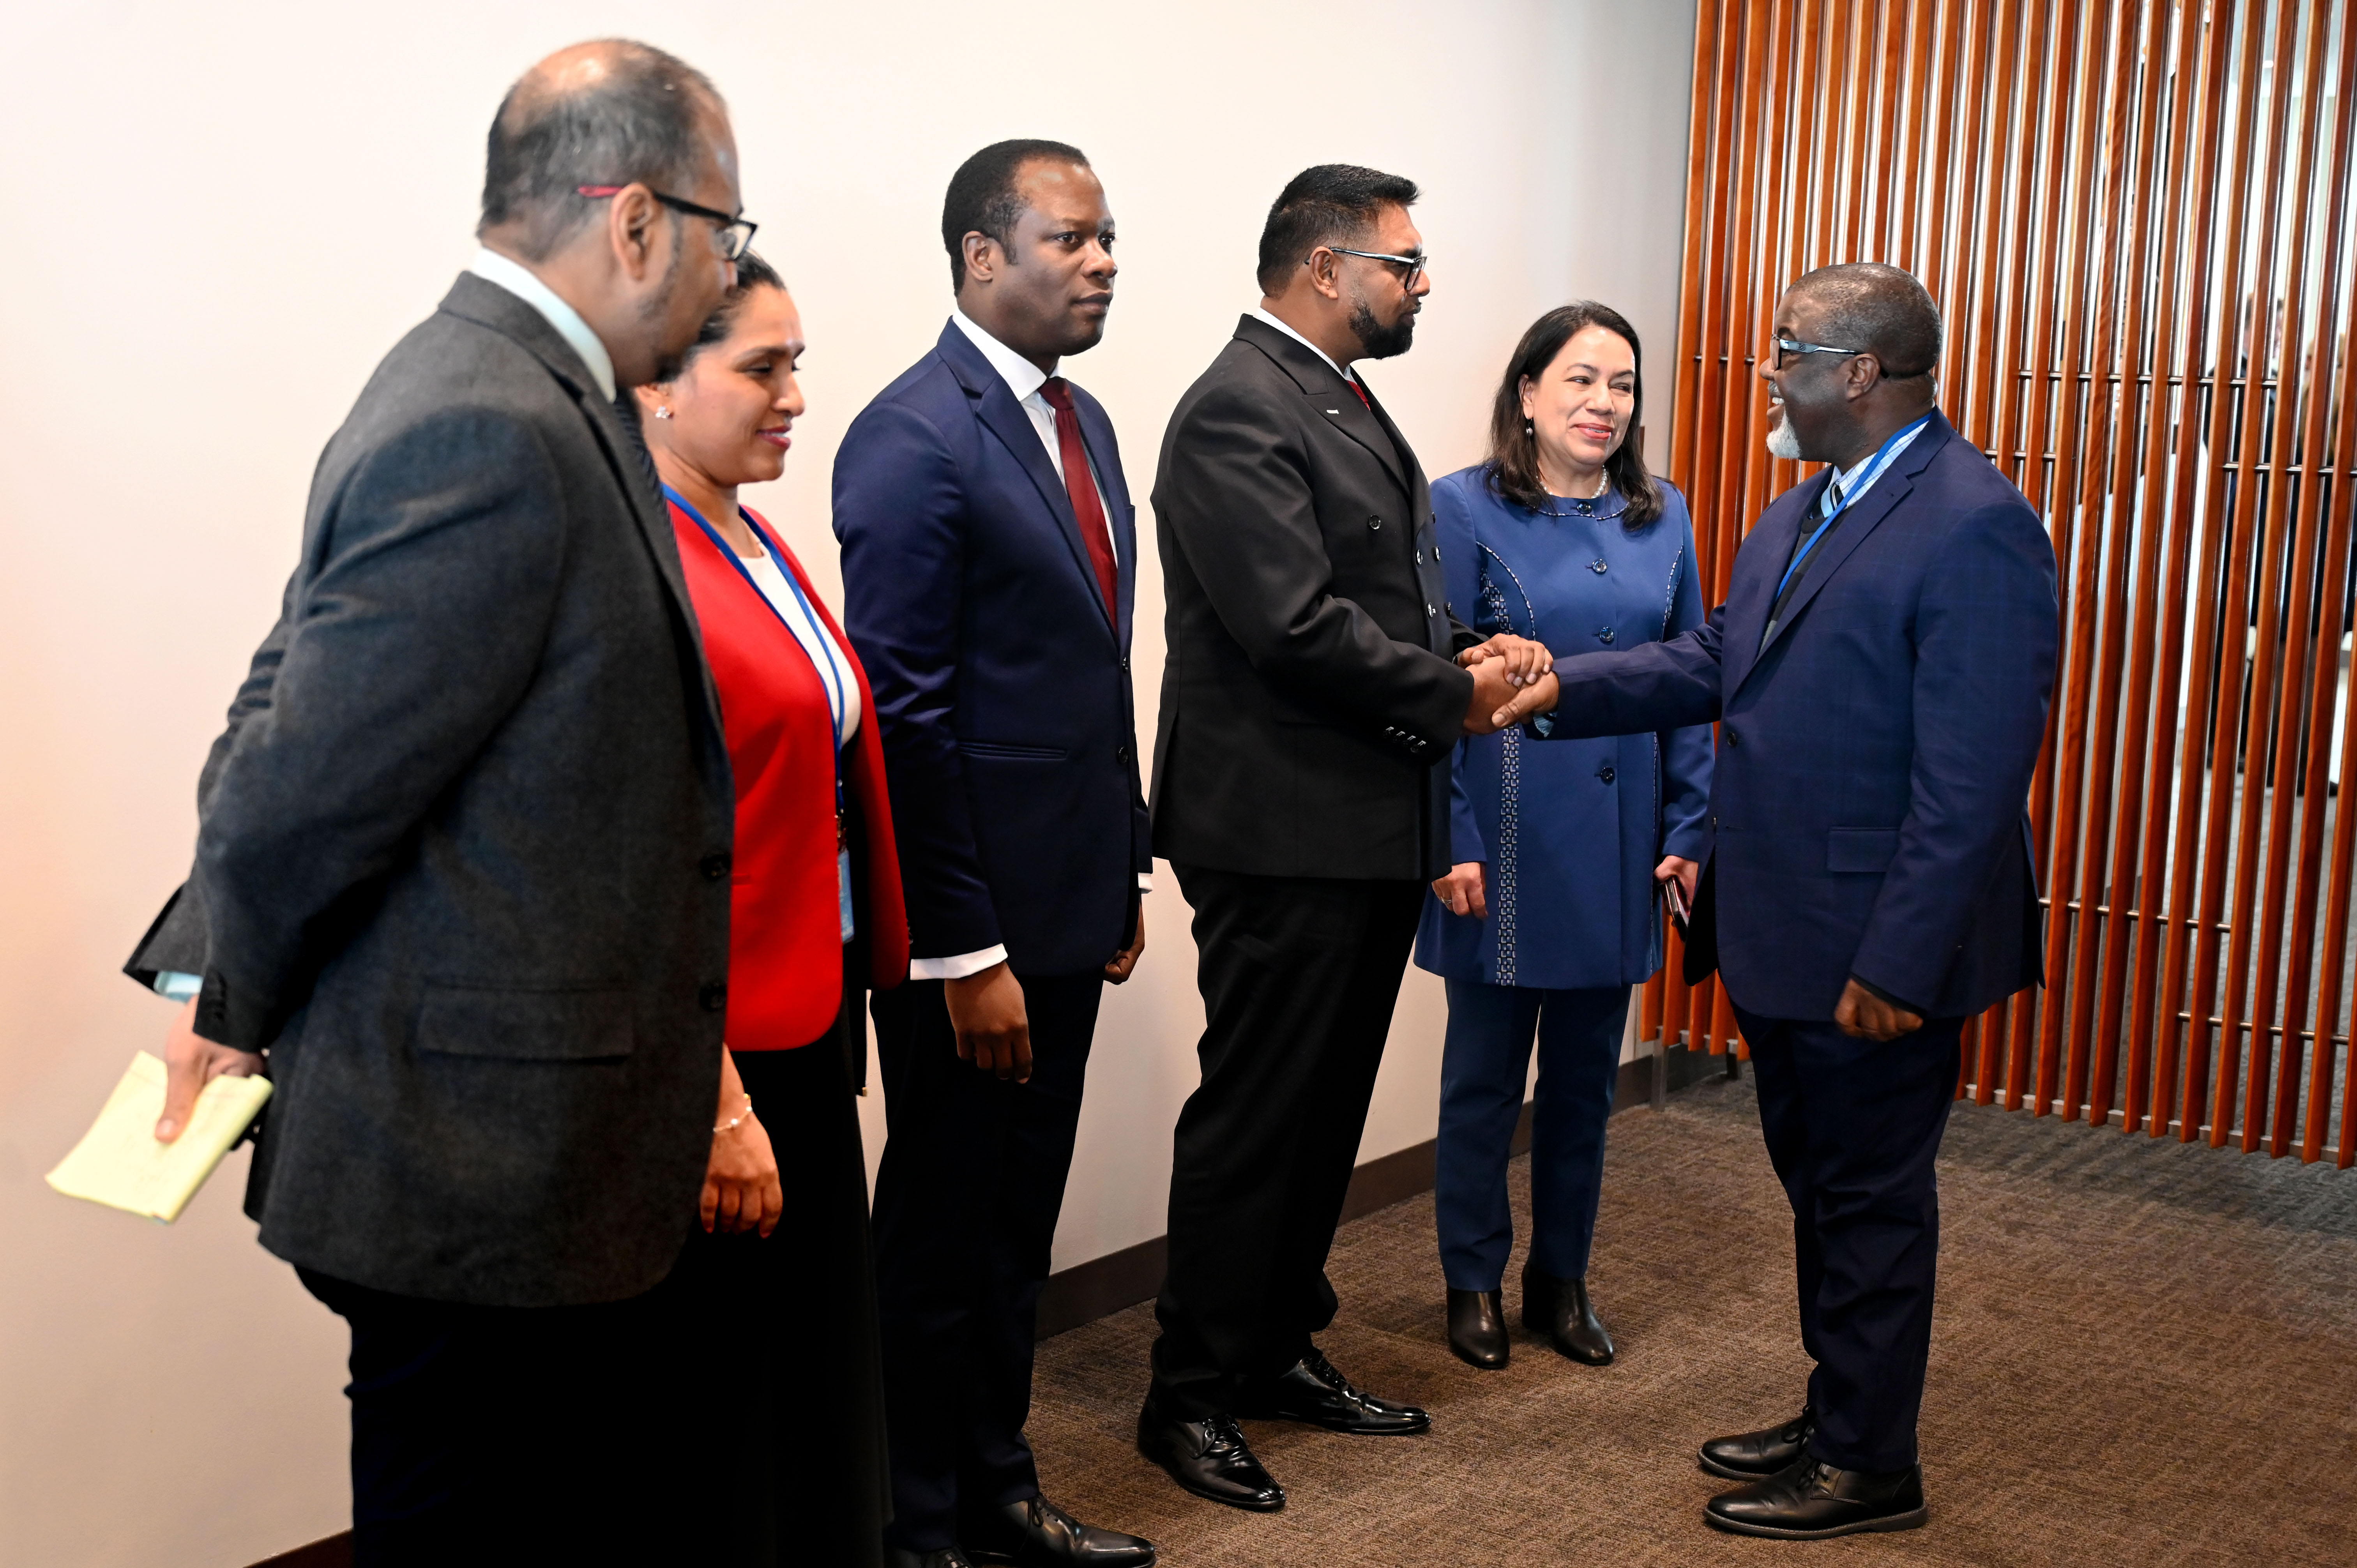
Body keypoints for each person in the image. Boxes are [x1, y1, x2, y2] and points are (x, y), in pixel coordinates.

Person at [120, 40, 758, 1564]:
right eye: (729, 231)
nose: (732, 267)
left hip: (524, 1152)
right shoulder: (496, 419)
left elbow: (282, 710)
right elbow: (291, 786)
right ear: (635, 221)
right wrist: (230, 987)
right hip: (475, 1171)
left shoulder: (520, 386)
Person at [1492, 263, 2058, 1540]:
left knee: (1869, 1200)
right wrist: (1558, 686)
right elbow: (1718, 656)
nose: (1769, 372)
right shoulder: (1807, 506)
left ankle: (1872, 1468)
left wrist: (1902, 964)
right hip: (1788, 932)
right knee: (1821, 1188)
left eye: (1789, 349)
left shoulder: (1974, 521)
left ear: (1861, 373)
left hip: (1875, 948)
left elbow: (1971, 786)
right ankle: (1844, 1410)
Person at [1138, 164, 1548, 1513]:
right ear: (1324, 266)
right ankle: (1186, 1396)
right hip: (1276, 828)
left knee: (1322, 1114)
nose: (1420, 285)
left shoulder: (1333, 395)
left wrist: (1459, 651)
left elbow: (1370, 598)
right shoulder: (1235, 409)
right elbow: (1290, 626)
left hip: (1362, 818)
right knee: (1259, 1116)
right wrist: (1461, 695)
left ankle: (1272, 1347)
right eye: (1403, 263)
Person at [833, 140, 1156, 1568]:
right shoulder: (913, 434)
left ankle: (999, 1486)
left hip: (1071, 906)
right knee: (944, 1237)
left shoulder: (1077, 424)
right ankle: (916, 1527)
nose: (1101, 263)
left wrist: (1122, 867)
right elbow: (906, 720)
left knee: (1019, 1224)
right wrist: (965, 951)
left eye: (1107, 241)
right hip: (971, 940)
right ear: (982, 252)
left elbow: (1091, 670)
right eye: (1072, 240)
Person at [634, 251, 908, 1567]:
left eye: (797, 363)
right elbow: (635, 862)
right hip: (719, 1050)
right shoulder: (644, 566)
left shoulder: (746, 528)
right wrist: (714, 1095)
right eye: (762, 367)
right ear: (654, 383)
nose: (796, 395)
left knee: (808, 1377)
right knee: (724, 1404)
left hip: (807, 1011)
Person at [1415, 302, 1712, 1373]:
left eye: (1623, 385)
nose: (1603, 404)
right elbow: (1435, 689)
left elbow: (1691, 680)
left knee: (1588, 1082)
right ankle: (1472, 1280)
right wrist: (1447, 838)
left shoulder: (1662, 513)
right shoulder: (1460, 507)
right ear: (1529, 392)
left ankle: (1563, 1280)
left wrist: (1690, 824)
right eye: (1580, 380)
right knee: (1484, 1080)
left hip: (1623, 836)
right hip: (1499, 833)